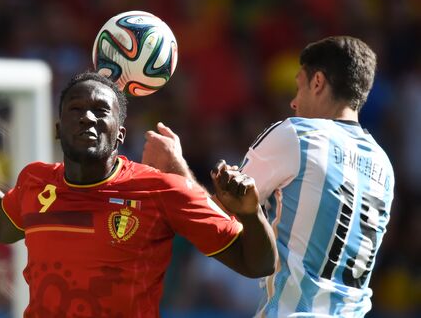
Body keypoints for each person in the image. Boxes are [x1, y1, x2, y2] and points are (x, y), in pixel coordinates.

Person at [0, 72, 276, 317]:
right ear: (58, 129)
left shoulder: (160, 188)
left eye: (100, 111)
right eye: (76, 109)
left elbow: (257, 264)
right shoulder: (37, 183)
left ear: (120, 133)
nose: (88, 117)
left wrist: (249, 213)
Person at [142, 36, 395, 317]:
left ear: (318, 82)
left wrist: (175, 166)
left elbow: (219, 217)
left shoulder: (299, 135)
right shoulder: (383, 164)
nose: (293, 102)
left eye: (298, 85)